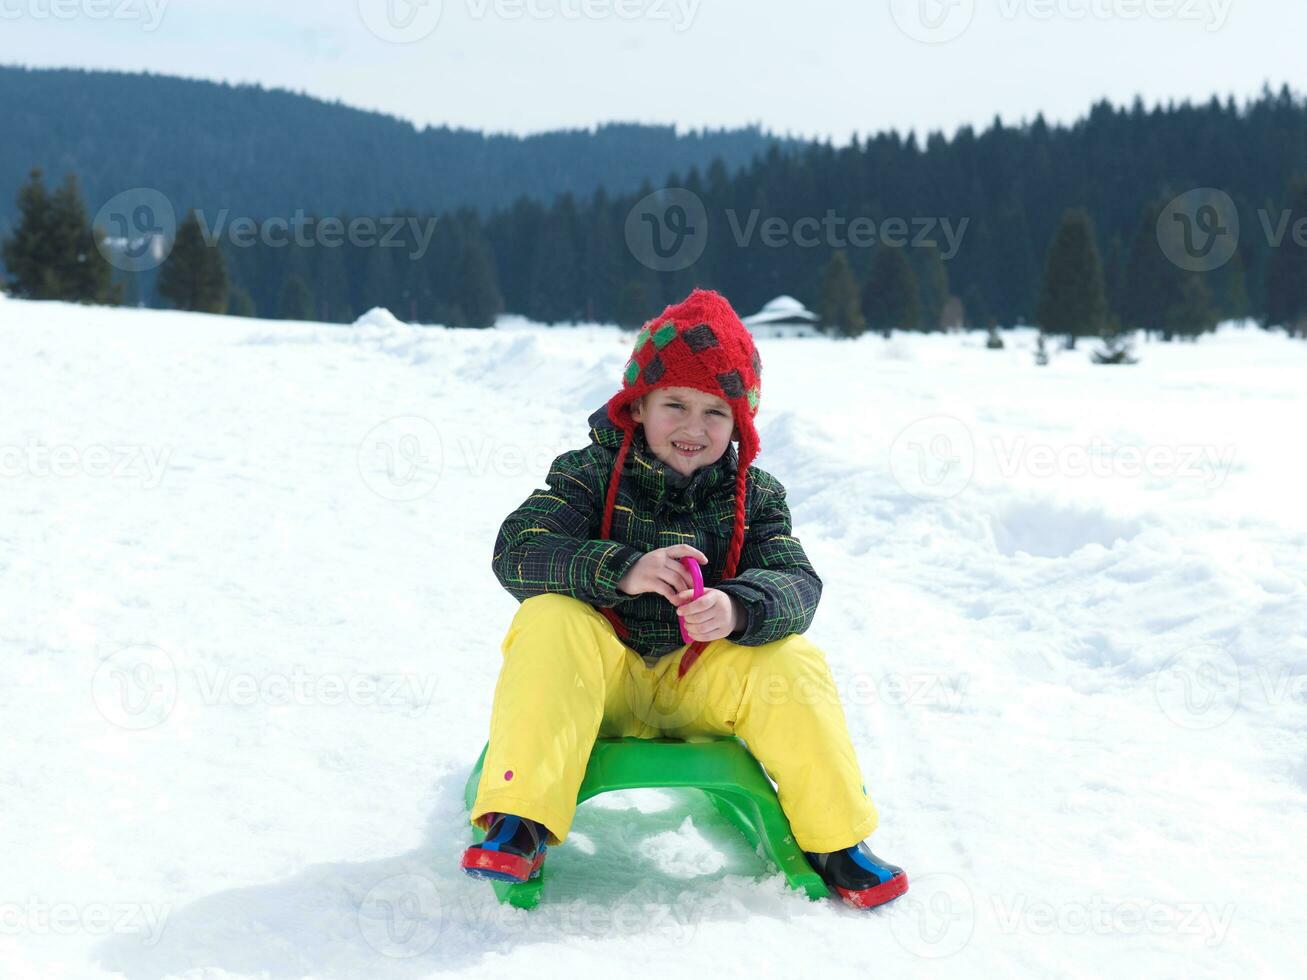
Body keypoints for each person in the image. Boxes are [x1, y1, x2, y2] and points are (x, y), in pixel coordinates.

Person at [461, 288, 908, 909]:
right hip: (598, 683)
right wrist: (621, 569)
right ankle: (520, 815)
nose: (693, 428)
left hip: (696, 683)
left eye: (715, 413)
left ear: (740, 424)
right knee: (548, 616)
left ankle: (836, 839)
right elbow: (518, 548)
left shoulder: (756, 495)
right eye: (674, 404)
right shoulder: (587, 474)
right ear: (638, 405)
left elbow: (798, 583)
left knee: (791, 657)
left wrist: (737, 609)